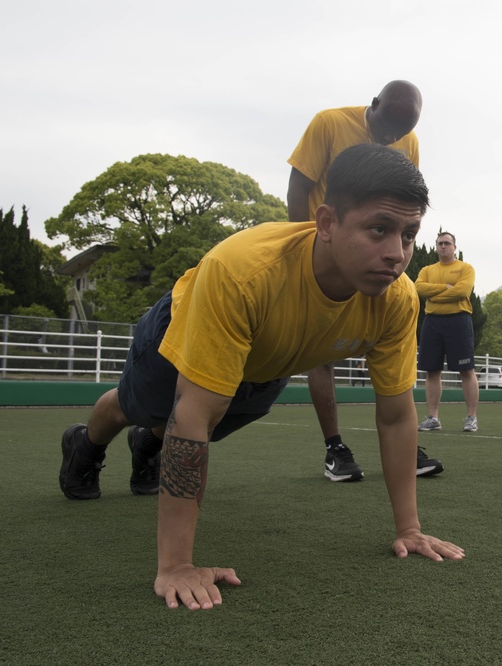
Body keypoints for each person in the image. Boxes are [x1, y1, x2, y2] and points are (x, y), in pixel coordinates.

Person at [57, 144, 465, 610]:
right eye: (378, 229)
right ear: (327, 223)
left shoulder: (398, 299)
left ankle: (150, 442)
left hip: (265, 363)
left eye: (409, 235)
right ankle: (85, 445)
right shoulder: (243, 272)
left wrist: (409, 529)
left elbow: (395, 417)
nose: (397, 255)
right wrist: (175, 566)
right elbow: (193, 419)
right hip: (181, 327)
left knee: (193, 421)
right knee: (146, 408)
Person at [286, 80, 440, 481]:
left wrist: (398, 248)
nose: (392, 137)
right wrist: (307, 250)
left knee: (389, 338)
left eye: (401, 132)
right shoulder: (329, 124)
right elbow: (299, 186)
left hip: (370, 257)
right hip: (325, 254)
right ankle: (335, 448)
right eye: (387, 125)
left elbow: (406, 202)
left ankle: (404, 446)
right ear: (373, 104)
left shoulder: (410, 142)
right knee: (321, 351)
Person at [415, 231, 479, 437]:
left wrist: (435, 297)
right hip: (432, 322)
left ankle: (471, 418)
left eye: (447, 243)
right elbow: (418, 289)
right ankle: (433, 418)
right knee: (432, 371)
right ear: (436, 246)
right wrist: (444, 287)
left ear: (454, 247)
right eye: (440, 243)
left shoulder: (465, 268)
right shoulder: (427, 269)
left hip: (459, 321)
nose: (443, 247)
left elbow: (461, 292)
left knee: (466, 370)